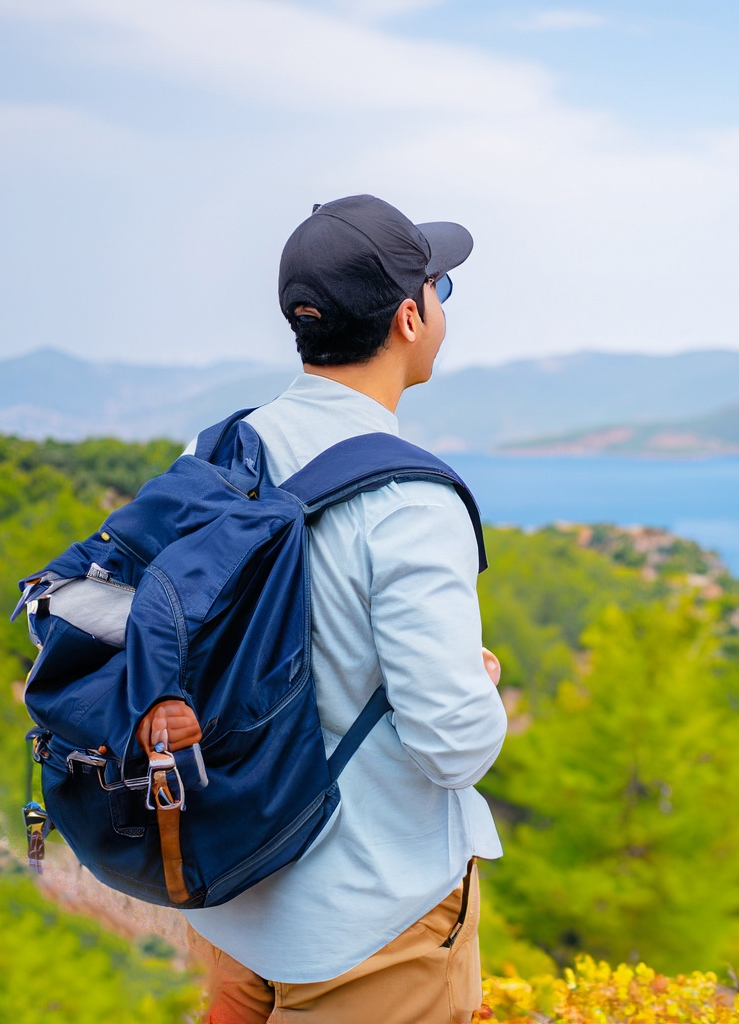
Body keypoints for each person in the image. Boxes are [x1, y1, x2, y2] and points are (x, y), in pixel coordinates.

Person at [141, 194, 508, 1023]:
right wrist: (478, 685)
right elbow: (453, 748)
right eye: (440, 290)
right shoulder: (413, 501)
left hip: (230, 892)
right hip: (369, 924)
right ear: (410, 317)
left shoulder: (216, 454)